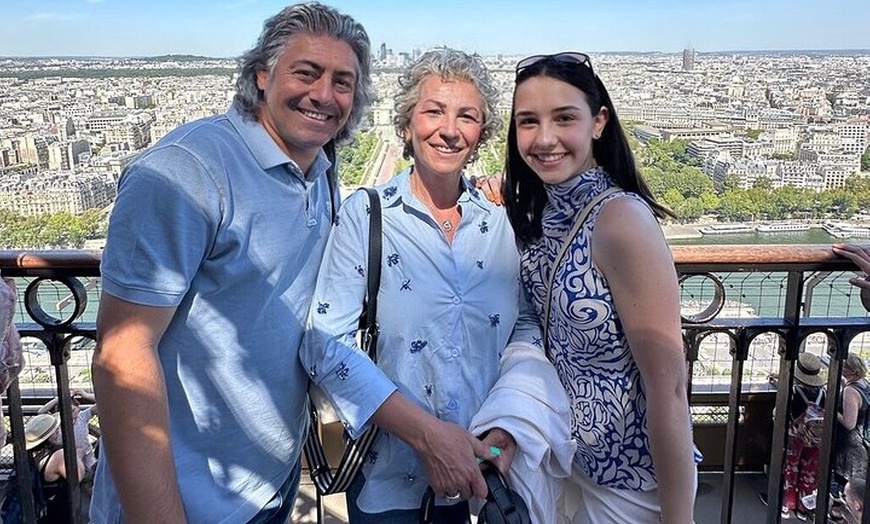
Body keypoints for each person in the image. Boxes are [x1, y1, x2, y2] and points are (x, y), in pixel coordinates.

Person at [89, 3, 374, 523]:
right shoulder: (185, 172)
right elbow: (122, 353)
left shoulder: (320, 170)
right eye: (306, 72)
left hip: (274, 479)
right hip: (191, 501)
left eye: (342, 82)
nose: (324, 95)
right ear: (262, 75)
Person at [301, 48, 541, 523]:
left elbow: (528, 329)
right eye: (433, 111)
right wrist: (428, 437)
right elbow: (324, 344)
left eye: (466, 116)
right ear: (407, 125)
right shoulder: (367, 217)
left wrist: (510, 427)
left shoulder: (503, 222)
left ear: (480, 134)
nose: (449, 129)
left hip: (489, 476)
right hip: (392, 480)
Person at [501, 52, 700, 524]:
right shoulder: (546, 211)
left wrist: (679, 518)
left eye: (563, 118)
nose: (544, 139)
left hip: (634, 486)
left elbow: (669, 387)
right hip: (575, 465)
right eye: (528, 122)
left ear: (598, 122)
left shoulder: (621, 220)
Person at [768, 352, 826, 520]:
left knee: (790, 469)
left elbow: (780, 412)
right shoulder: (824, 393)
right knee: (809, 472)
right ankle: (804, 507)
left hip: (795, 437)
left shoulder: (793, 391)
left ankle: (786, 505)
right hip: (815, 438)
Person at [830, 353, 870, 520]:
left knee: (844, 484)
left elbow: (849, 423)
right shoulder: (865, 384)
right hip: (862, 443)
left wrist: (831, 410)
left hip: (848, 446)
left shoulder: (850, 391)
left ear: (850, 371)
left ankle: (841, 515)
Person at [38, 389, 99, 473]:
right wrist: (59, 399)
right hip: (67, 460)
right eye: (67, 412)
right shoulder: (55, 423)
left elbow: (102, 403)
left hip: (87, 458)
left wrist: (86, 395)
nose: (71, 415)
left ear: (78, 409)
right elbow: (41, 412)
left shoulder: (82, 417)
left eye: (73, 410)